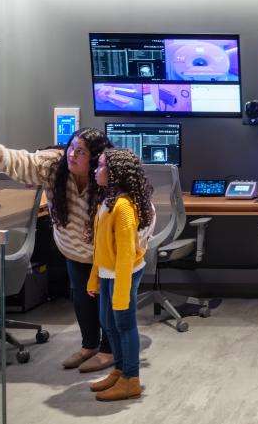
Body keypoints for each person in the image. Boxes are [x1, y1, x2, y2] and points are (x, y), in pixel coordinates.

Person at [0, 126, 116, 373]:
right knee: (81, 298)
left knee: (106, 303)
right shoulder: (54, 166)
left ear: (95, 157)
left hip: (106, 254)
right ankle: (89, 346)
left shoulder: (107, 172)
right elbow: (23, 161)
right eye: (72, 148)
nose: (72, 155)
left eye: (81, 152)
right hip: (73, 250)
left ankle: (109, 350)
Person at [86, 149, 153, 402]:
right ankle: (119, 370)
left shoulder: (123, 207)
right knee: (107, 322)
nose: (95, 170)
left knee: (124, 325)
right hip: (107, 272)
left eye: (101, 166)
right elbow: (100, 248)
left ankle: (131, 379)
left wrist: (122, 294)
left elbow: (125, 255)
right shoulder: (107, 202)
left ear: (115, 174)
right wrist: (94, 277)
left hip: (122, 274)